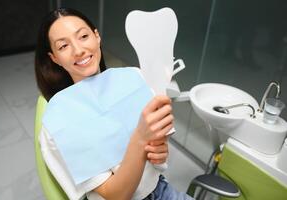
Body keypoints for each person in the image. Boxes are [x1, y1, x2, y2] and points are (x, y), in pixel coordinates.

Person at [35, 8, 193, 200]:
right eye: (63, 46)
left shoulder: (134, 78)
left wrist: (159, 151)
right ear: (54, 58)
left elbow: (157, 154)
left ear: (97, 36)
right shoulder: (60, 120)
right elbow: (115, 196)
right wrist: (141, 138)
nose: (78, 50)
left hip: (161, 191)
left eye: (83, 36)